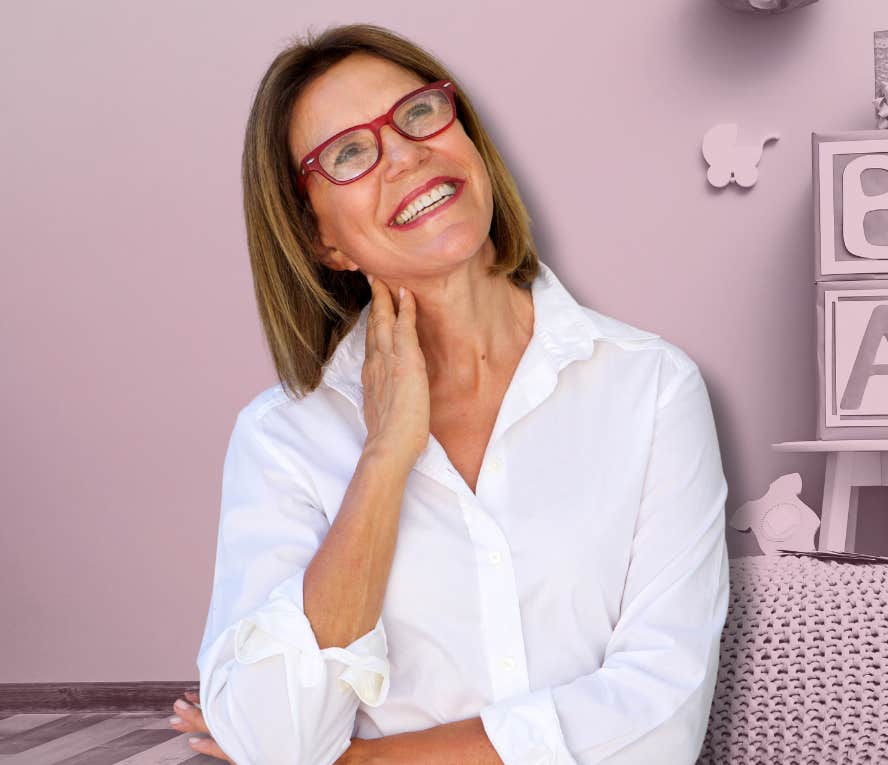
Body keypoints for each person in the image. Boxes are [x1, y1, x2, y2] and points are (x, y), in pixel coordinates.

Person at [167, 23, 731, 765]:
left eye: (419, 113)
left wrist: (357, 761)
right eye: (348, 153)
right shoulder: (281, 438)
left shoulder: (650, 386)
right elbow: (273, 735)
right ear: (320, 241)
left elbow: (661, 719)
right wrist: (384, 459)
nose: (405, 153)